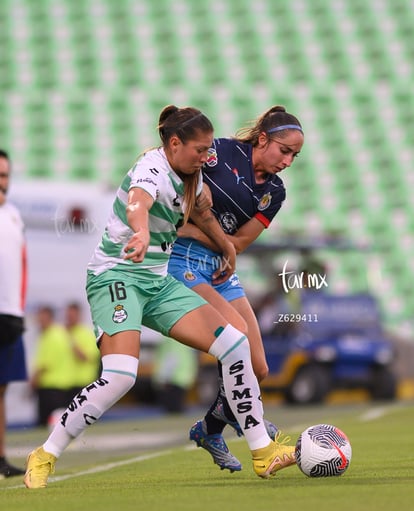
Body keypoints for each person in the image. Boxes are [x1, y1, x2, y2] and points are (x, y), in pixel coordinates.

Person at [24, 105, 296, 489]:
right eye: (201, 150)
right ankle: (46, 453)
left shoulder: (194, 174)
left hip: (157, 282)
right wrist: (141, 231)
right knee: (121, 376)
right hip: (117, 277)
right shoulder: (151, 168)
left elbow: (202, 214)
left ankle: (263, 451)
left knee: (236, 344)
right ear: (173, 144)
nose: (208, 157)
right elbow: (139, 201)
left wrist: (227, 247)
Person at [168, 106, 304, 471]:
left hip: (222, 268)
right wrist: (216, 238)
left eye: (295, 155)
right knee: (237, 338)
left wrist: (211, 235)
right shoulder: (221, 152)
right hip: (182, 260)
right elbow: (178, 211)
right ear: (263, 139)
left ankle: (209, 429)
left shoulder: (275, 192)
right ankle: (258, 435)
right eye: (285, 151)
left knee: (259, 369)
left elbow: (239, 243)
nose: (288, 161)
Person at [0, 149, 28, 477]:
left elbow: (21, 264)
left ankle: (1, 455)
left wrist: (17, 308)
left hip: (9, 313)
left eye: (5, 176)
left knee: (3, 387)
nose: (2, 183)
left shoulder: (14, 215)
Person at [31, 306, 78, 426]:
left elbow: (45, 364)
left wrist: (34, 381)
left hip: (50, 386)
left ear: (50, 318)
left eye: (42, 319)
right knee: (61, 423)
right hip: (63, 385)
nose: (40, 322)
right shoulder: (62, 333)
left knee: (45, 424)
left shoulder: (51, 335)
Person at [64, 301, 100, 397]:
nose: (69, 318)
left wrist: (71, 341)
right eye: (68, 316)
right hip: (67, 383)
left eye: (72, 315)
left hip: (84, 383)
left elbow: (86, 358)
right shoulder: (62, 332)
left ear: (79, 315)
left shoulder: (87, 333)